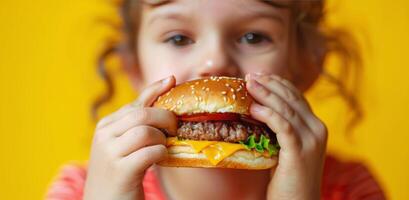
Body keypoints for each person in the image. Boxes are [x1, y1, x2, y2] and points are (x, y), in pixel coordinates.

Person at [46, 0, 386, 199]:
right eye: (178, 37)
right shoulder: (79, 189)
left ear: (306, 65)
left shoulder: (350, 189)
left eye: (254, 36)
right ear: (134, 67)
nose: (214, 62)